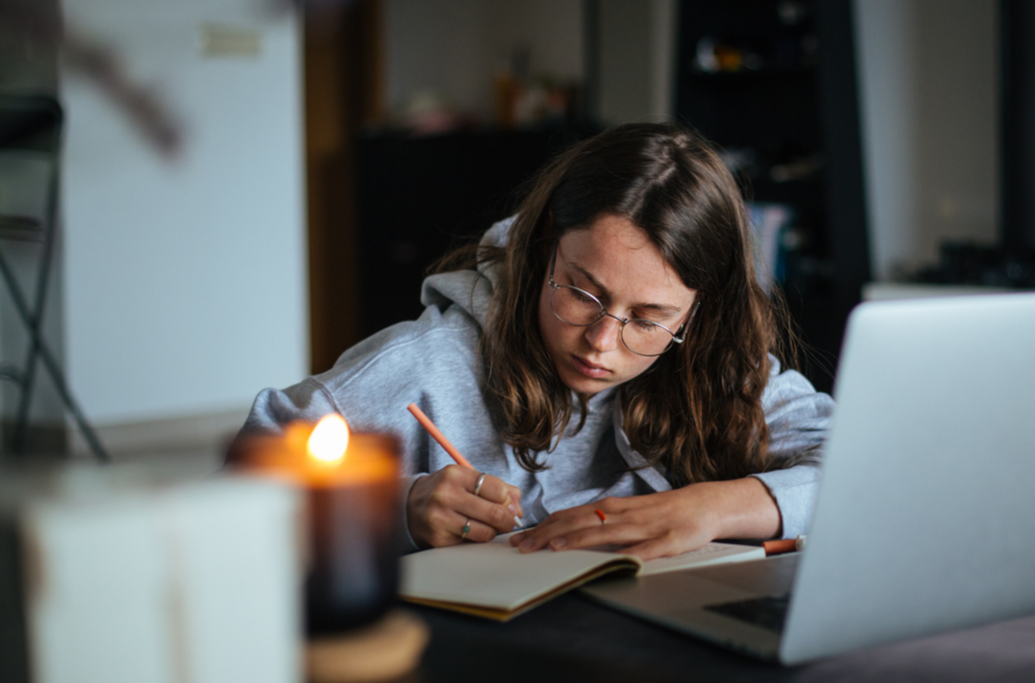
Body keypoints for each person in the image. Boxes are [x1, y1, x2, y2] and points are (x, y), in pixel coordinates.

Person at [240, 122, 832, 560]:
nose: (601, 341)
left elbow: (863, 462)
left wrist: (710, 507)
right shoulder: (422, 364)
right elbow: (239, 496)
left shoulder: (721, 363)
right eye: (582, 292)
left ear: (699, 313)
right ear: (546, 241)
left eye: (649, 319)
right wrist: (397, 506)